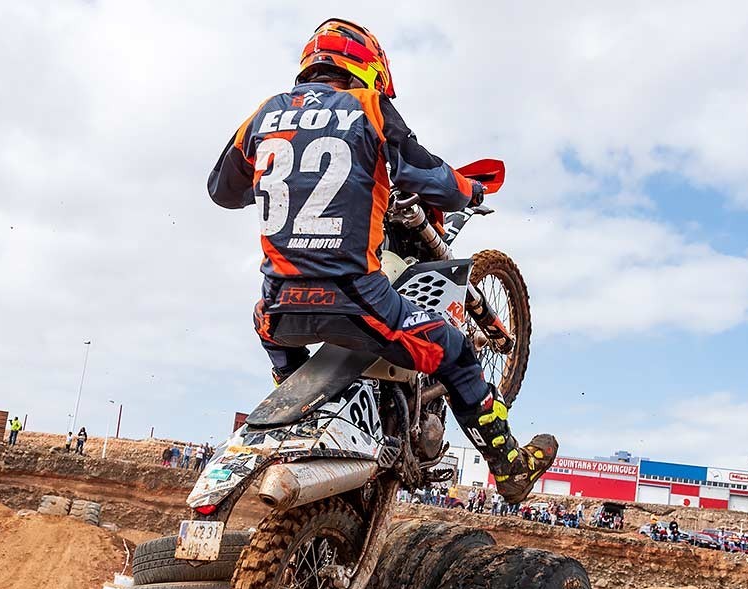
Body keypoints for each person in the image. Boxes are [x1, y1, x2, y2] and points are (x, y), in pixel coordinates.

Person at [207, 18, 556, 504]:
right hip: (357, 305)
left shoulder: (264, 115)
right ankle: (509, 467)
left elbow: (222, 190)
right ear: (366, 69)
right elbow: (430, 175)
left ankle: (310, 414)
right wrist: (470, 190)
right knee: (454, 350)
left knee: (277, 340)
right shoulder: (370, 109)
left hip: (277, 314)